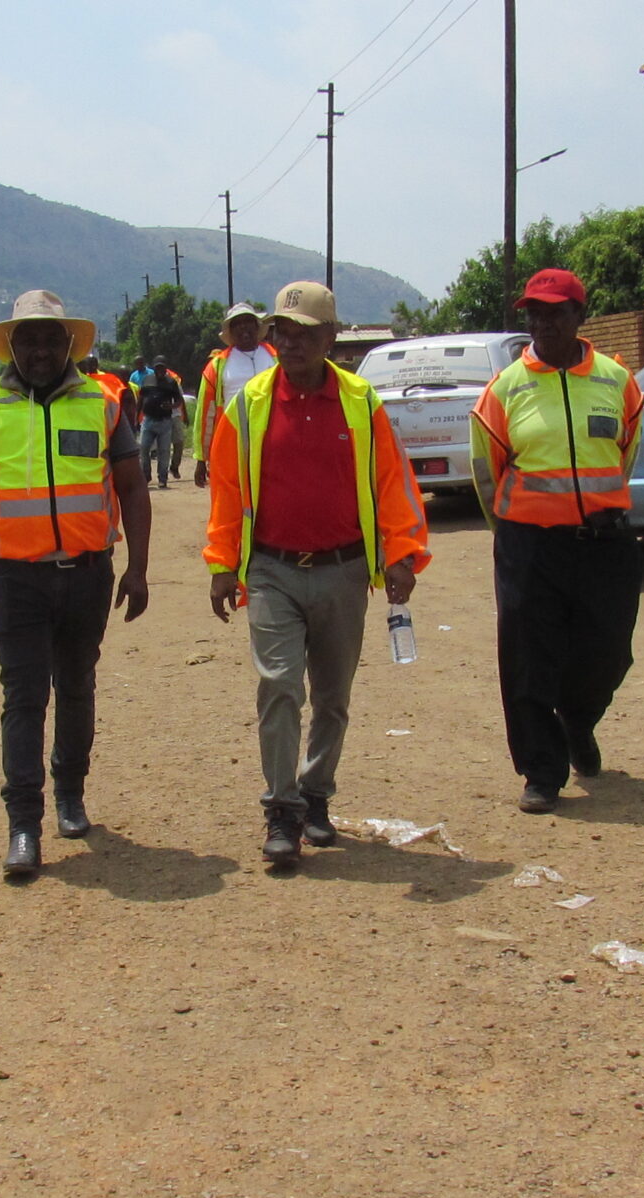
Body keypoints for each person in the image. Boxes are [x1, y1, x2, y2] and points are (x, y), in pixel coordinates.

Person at [204, 281, 430, 867]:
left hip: (343, 570)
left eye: (305, 333)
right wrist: (222, 564)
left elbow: (392, 482)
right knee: (279, 685)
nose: (291, 342)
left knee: (332, 696)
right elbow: (227, 492)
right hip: (272, 571)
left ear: (331, 337)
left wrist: (400, 551)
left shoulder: (360, 402)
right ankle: (281, 810)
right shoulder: (249, 404)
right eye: (283, 331)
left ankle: (315, 794)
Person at [0, 291, 153, 878]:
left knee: (78, 686)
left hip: (88, 576)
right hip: (16, 581)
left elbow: (133, 489)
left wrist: (137, 569)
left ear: (70, 344)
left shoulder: (105, 402)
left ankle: (70, 794)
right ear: (12, 346)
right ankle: (23, 826)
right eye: (28, 339)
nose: (39, 349)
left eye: (50, 338)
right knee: (24, 698)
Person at [468, 267, 644, 815]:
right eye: (534, 314)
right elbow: (484, 470)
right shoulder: (505, 389)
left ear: (579, 317)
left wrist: (597, 509)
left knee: (609, 653)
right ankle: (541, 772)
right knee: (528, 658)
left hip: (605, 543)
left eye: (554, 312)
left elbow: (626, 453)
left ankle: (578, 719)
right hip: (529, 545)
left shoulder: (617, 380)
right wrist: (513, 532)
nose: (543, 323)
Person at [193, 303, 275, 487]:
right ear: (230, 330)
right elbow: (206, 413)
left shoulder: (276, 358)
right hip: (232, 442)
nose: (244, 327)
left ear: (257, 327)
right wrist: (201, 457)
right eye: (237, 323)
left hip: (272, 440)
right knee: (233, 497)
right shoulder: (218, 365)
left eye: (248, 321)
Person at [134, 355, 187, 488]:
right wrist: (136, 417)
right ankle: (146, 475)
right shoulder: (147, 380)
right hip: (148, 420)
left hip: (164, 422)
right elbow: (141, 400)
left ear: (165, 368)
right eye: (157, 367)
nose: (160, 370)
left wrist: (172, 406)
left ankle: (162, 478)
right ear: (154, 368)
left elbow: (179, 400)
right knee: (144, 448)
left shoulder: (171, 382)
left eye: (162, 367)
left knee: (164, 451)